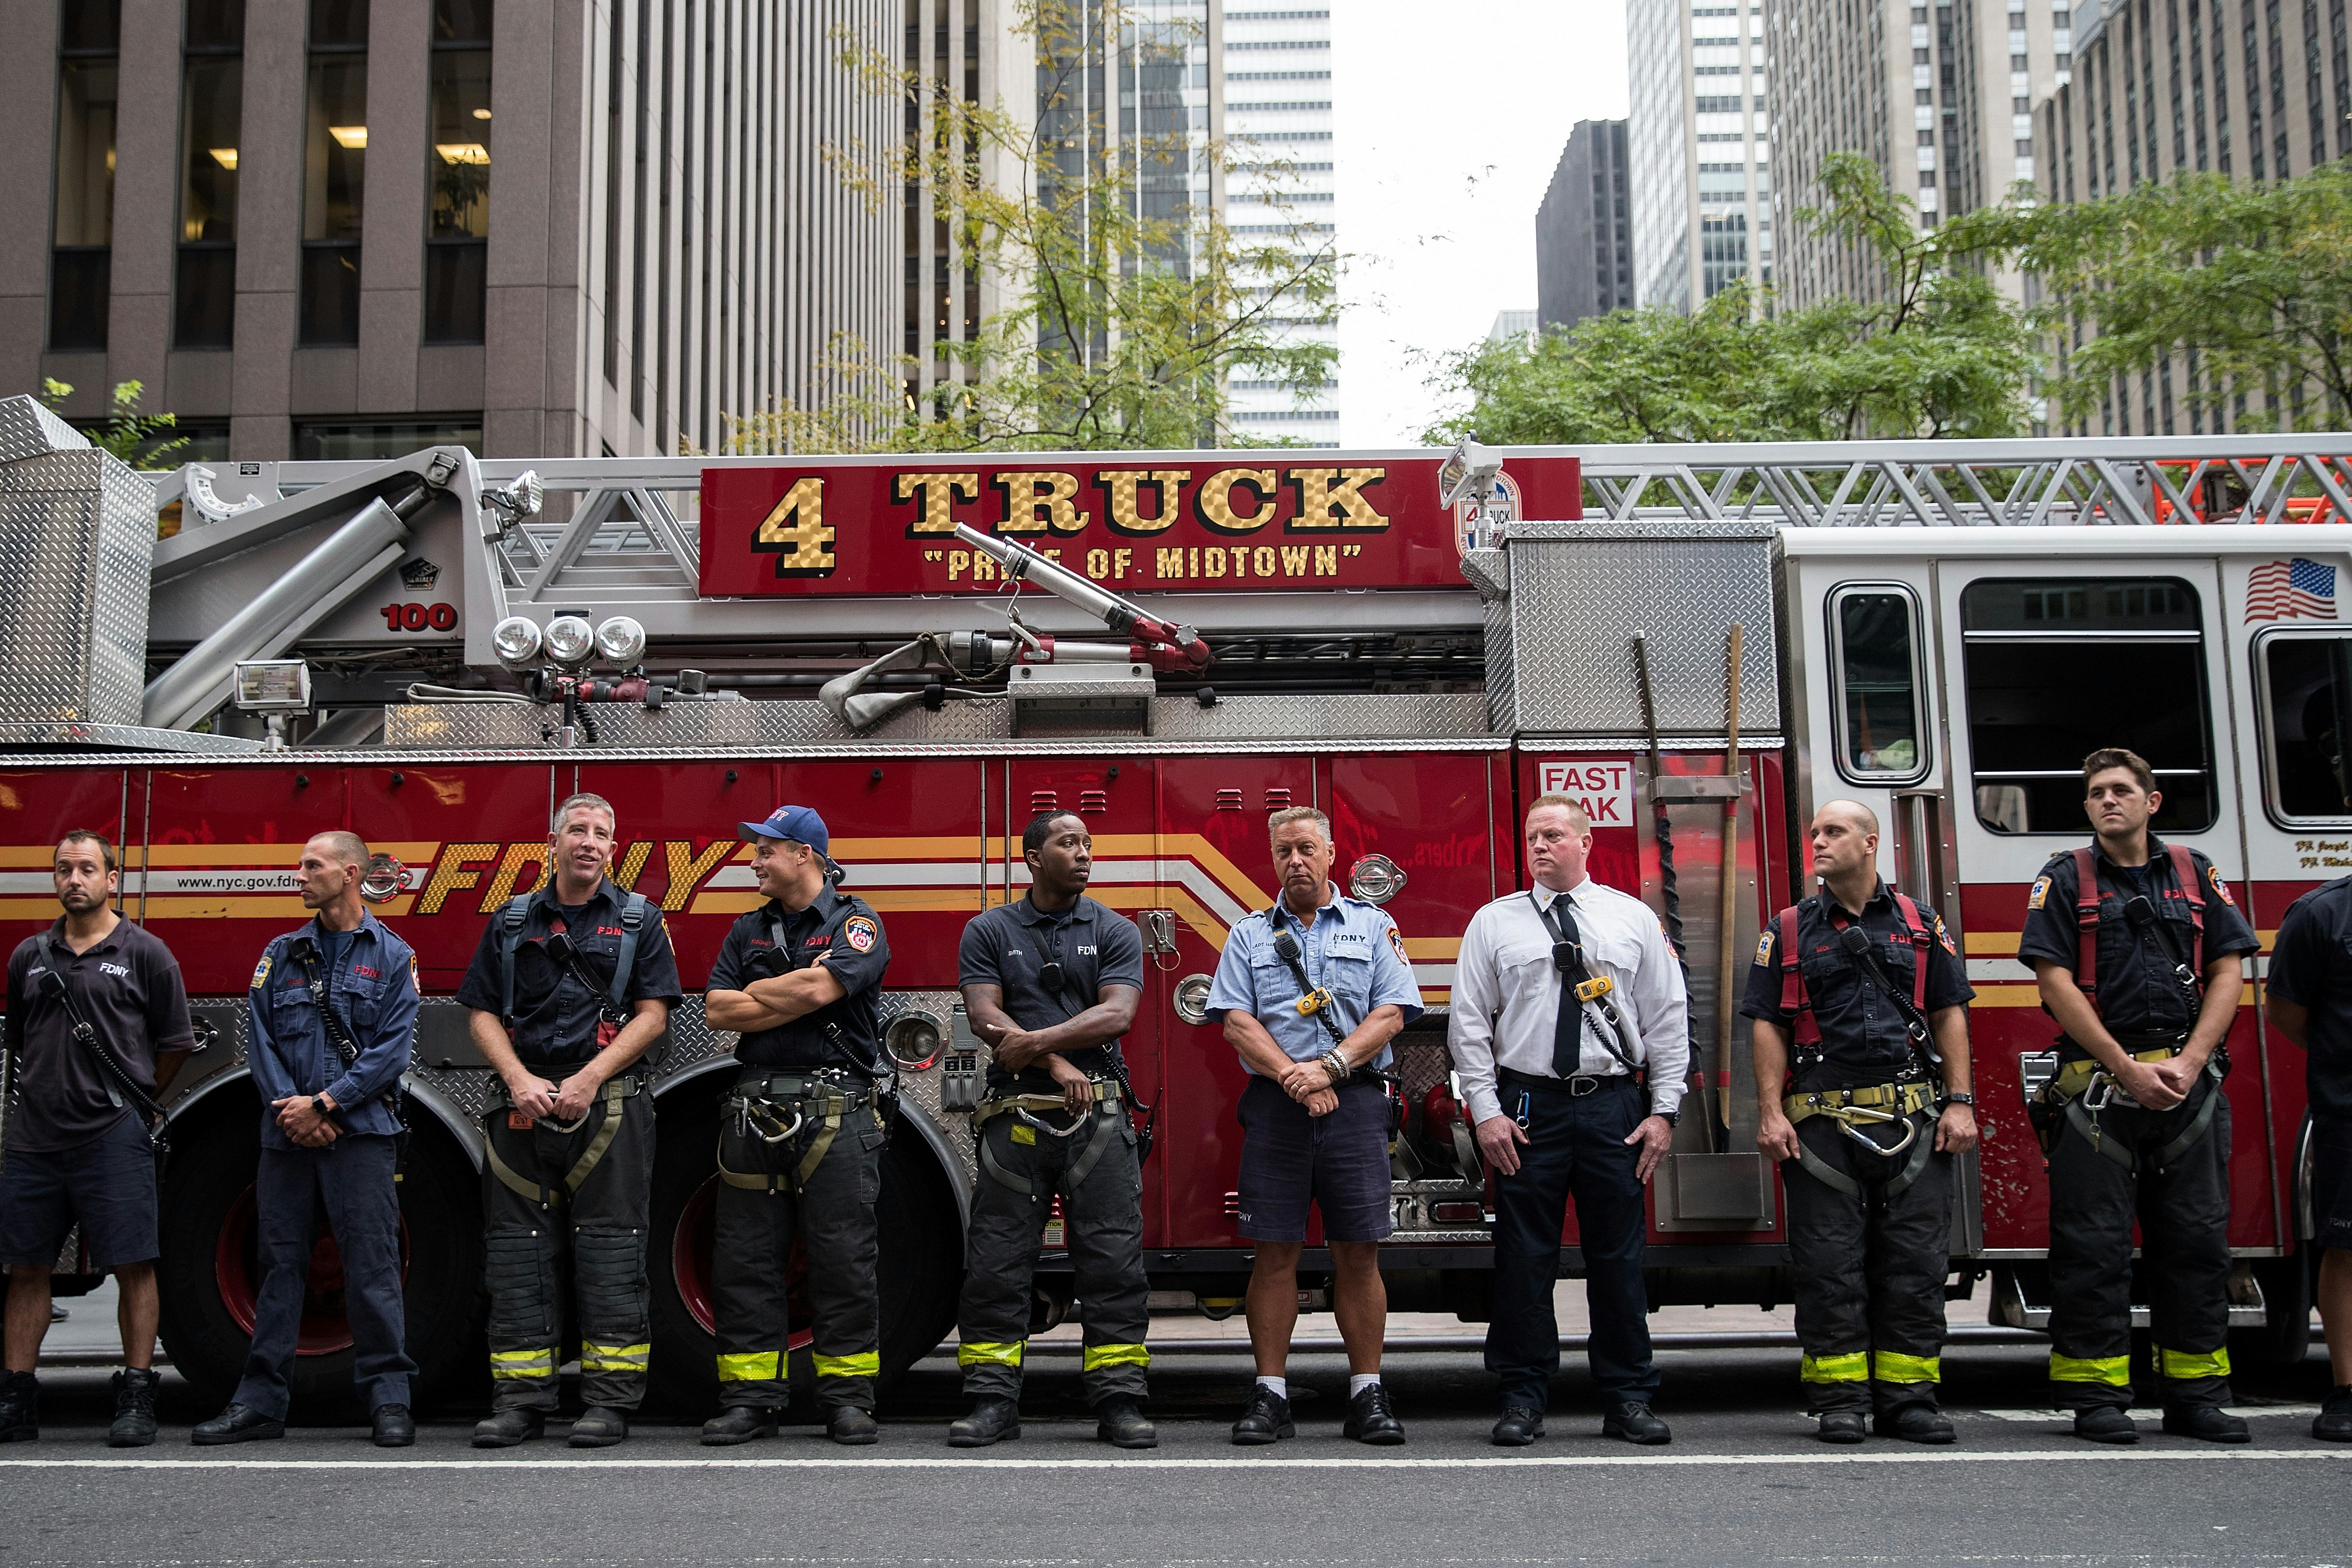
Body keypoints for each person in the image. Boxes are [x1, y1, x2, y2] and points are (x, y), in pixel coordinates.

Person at [2018, 748, 2258, 1444]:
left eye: (2122, 790)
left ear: (2153, 802)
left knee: (2196, 1243)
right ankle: (2097, 1397)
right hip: (2099, 1092)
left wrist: (2191, 1061)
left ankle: (2197, 1395)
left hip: (2188, 1089)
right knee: (2091, 1247)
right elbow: (2055, 984)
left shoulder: (2194, 873)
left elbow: (2228, 969)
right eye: (2096, 793)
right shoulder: (2063, 879)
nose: (2107, 802)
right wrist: (2125, 1067)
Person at [1450, 795, 1688, 1448]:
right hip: (1529, 1106)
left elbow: (1667, 1020)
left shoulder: (1630, 918)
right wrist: (1487, 1112)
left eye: (1553, 834)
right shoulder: (1496, 923)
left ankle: (1628, 1398)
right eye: (1532, 837)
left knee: (1618, 1256)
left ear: (1587, 841)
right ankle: (1523, 1398)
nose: (1540, 846)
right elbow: (1469, 1023)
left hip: (1615, 1104)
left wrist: (1663, 1111)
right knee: (1525, 1257)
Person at [1742, 801, 1977, 1445]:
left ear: (1870, 843)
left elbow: (1950, 1010)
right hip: (1823, 1125)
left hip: (1914, 1119)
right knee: (1829, 1267)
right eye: (1814, 831)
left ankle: (1910, 1400)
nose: (1817, 840)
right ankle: (1840, 1400)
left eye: (1834, 832)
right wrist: (1769, 1113)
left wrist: (1961, 1101)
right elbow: (1768, 1023)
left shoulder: (1922, 924)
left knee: (1916, 1266)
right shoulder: (1787, 930)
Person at [456, 793, 682, 1448]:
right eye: (577, 830)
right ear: (550, 842)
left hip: (607, 1110)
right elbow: (479, 1011)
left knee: (612, 1250)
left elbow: (653, 1014)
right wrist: (519, 1079)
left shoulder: (641, 920)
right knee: (517, 1257)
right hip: (522, 1111)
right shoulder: (510, 921)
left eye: (602, 833)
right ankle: (521, 1401)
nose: (589, 841)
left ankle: (609, 1402)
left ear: (616, 848)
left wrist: (590, 1078)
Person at [194, 832, 421, 1448]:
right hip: (287, 1136)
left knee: (371, 1269)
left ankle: (388, 1400)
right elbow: (261, 1039)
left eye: (311, 866)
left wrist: (326, 1103)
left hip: (362, 1135)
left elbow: (391, 1053)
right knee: (278, 1267)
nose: (298, 875)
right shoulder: (281, 954)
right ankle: (261, 1403)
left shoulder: (394, 957)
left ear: (350, 874)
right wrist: (294, 1111)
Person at [1204, 806, 1420, 1447]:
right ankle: (1270, 1395)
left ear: (1331, 853)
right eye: (1282, 851)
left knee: (1359, 1249)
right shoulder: (1248, 934)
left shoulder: (1373, 924)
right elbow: (1236, 1021)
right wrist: (1293, 1076)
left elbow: (1392, 1013)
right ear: (1272, 859)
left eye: (1305, 848)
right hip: (1277, 1106)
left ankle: (1368, 1393)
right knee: (1274, 1251)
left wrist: (1326, 1068)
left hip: (1353, 1103)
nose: (1294, 860)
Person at [948, 811, 1154, 1450]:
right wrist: (1058, 1061)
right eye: (1069, 843)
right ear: (1033, 857)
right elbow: (983, 1014)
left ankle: (1120, 1401)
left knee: (1113, 1260)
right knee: (996, 1263)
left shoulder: (1116, 930)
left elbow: (1118, 1014)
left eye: (1089, 843)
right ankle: (991, 1401)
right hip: (1015, 1115)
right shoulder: (988, 929)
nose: (1084, 853)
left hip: (1099, 1116)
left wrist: (1036, 1040)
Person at [699, 805, 892, 1446]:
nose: (754, 860)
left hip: (836, 1109)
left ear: (804, 854)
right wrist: (800, 987)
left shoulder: (857, 922)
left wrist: (768, 998)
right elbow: (718, 1011)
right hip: (754, 1108)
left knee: (842, 1260)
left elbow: (818, 994)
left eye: (767, 850)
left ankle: (847, 1400)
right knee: (746, 1262)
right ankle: (751, 1399)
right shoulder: (744, 930)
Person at [0, 831, 194, 1447]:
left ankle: (137, 1395)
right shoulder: (28, 956)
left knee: (134, 1265)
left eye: (87, 868)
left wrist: (132, 1106)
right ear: (53, 880)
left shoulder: (147, 953)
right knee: (27, 1268)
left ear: (112, 878)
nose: (74, 878)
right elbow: (20, 1043)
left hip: (111, 1136)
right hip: (34, 1140)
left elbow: (175, 1044)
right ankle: (17, 1397)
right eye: (64, 869)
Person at [2256, 874, 2352, 1441]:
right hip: (2348, 1111)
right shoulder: (2320, 913)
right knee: (2345, 1248)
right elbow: (2285, 1010)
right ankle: (2345, 1391)